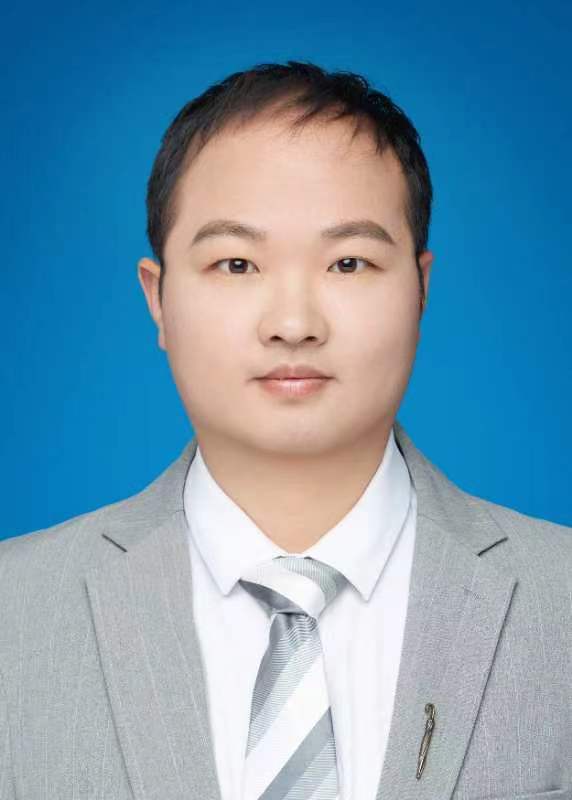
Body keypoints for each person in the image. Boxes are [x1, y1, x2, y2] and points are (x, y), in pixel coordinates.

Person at [1, 60, 570, 800]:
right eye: (237, 264)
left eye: (349, 263)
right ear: (158, 299)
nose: (294, 324)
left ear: (421, 289)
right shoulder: (15, 612)